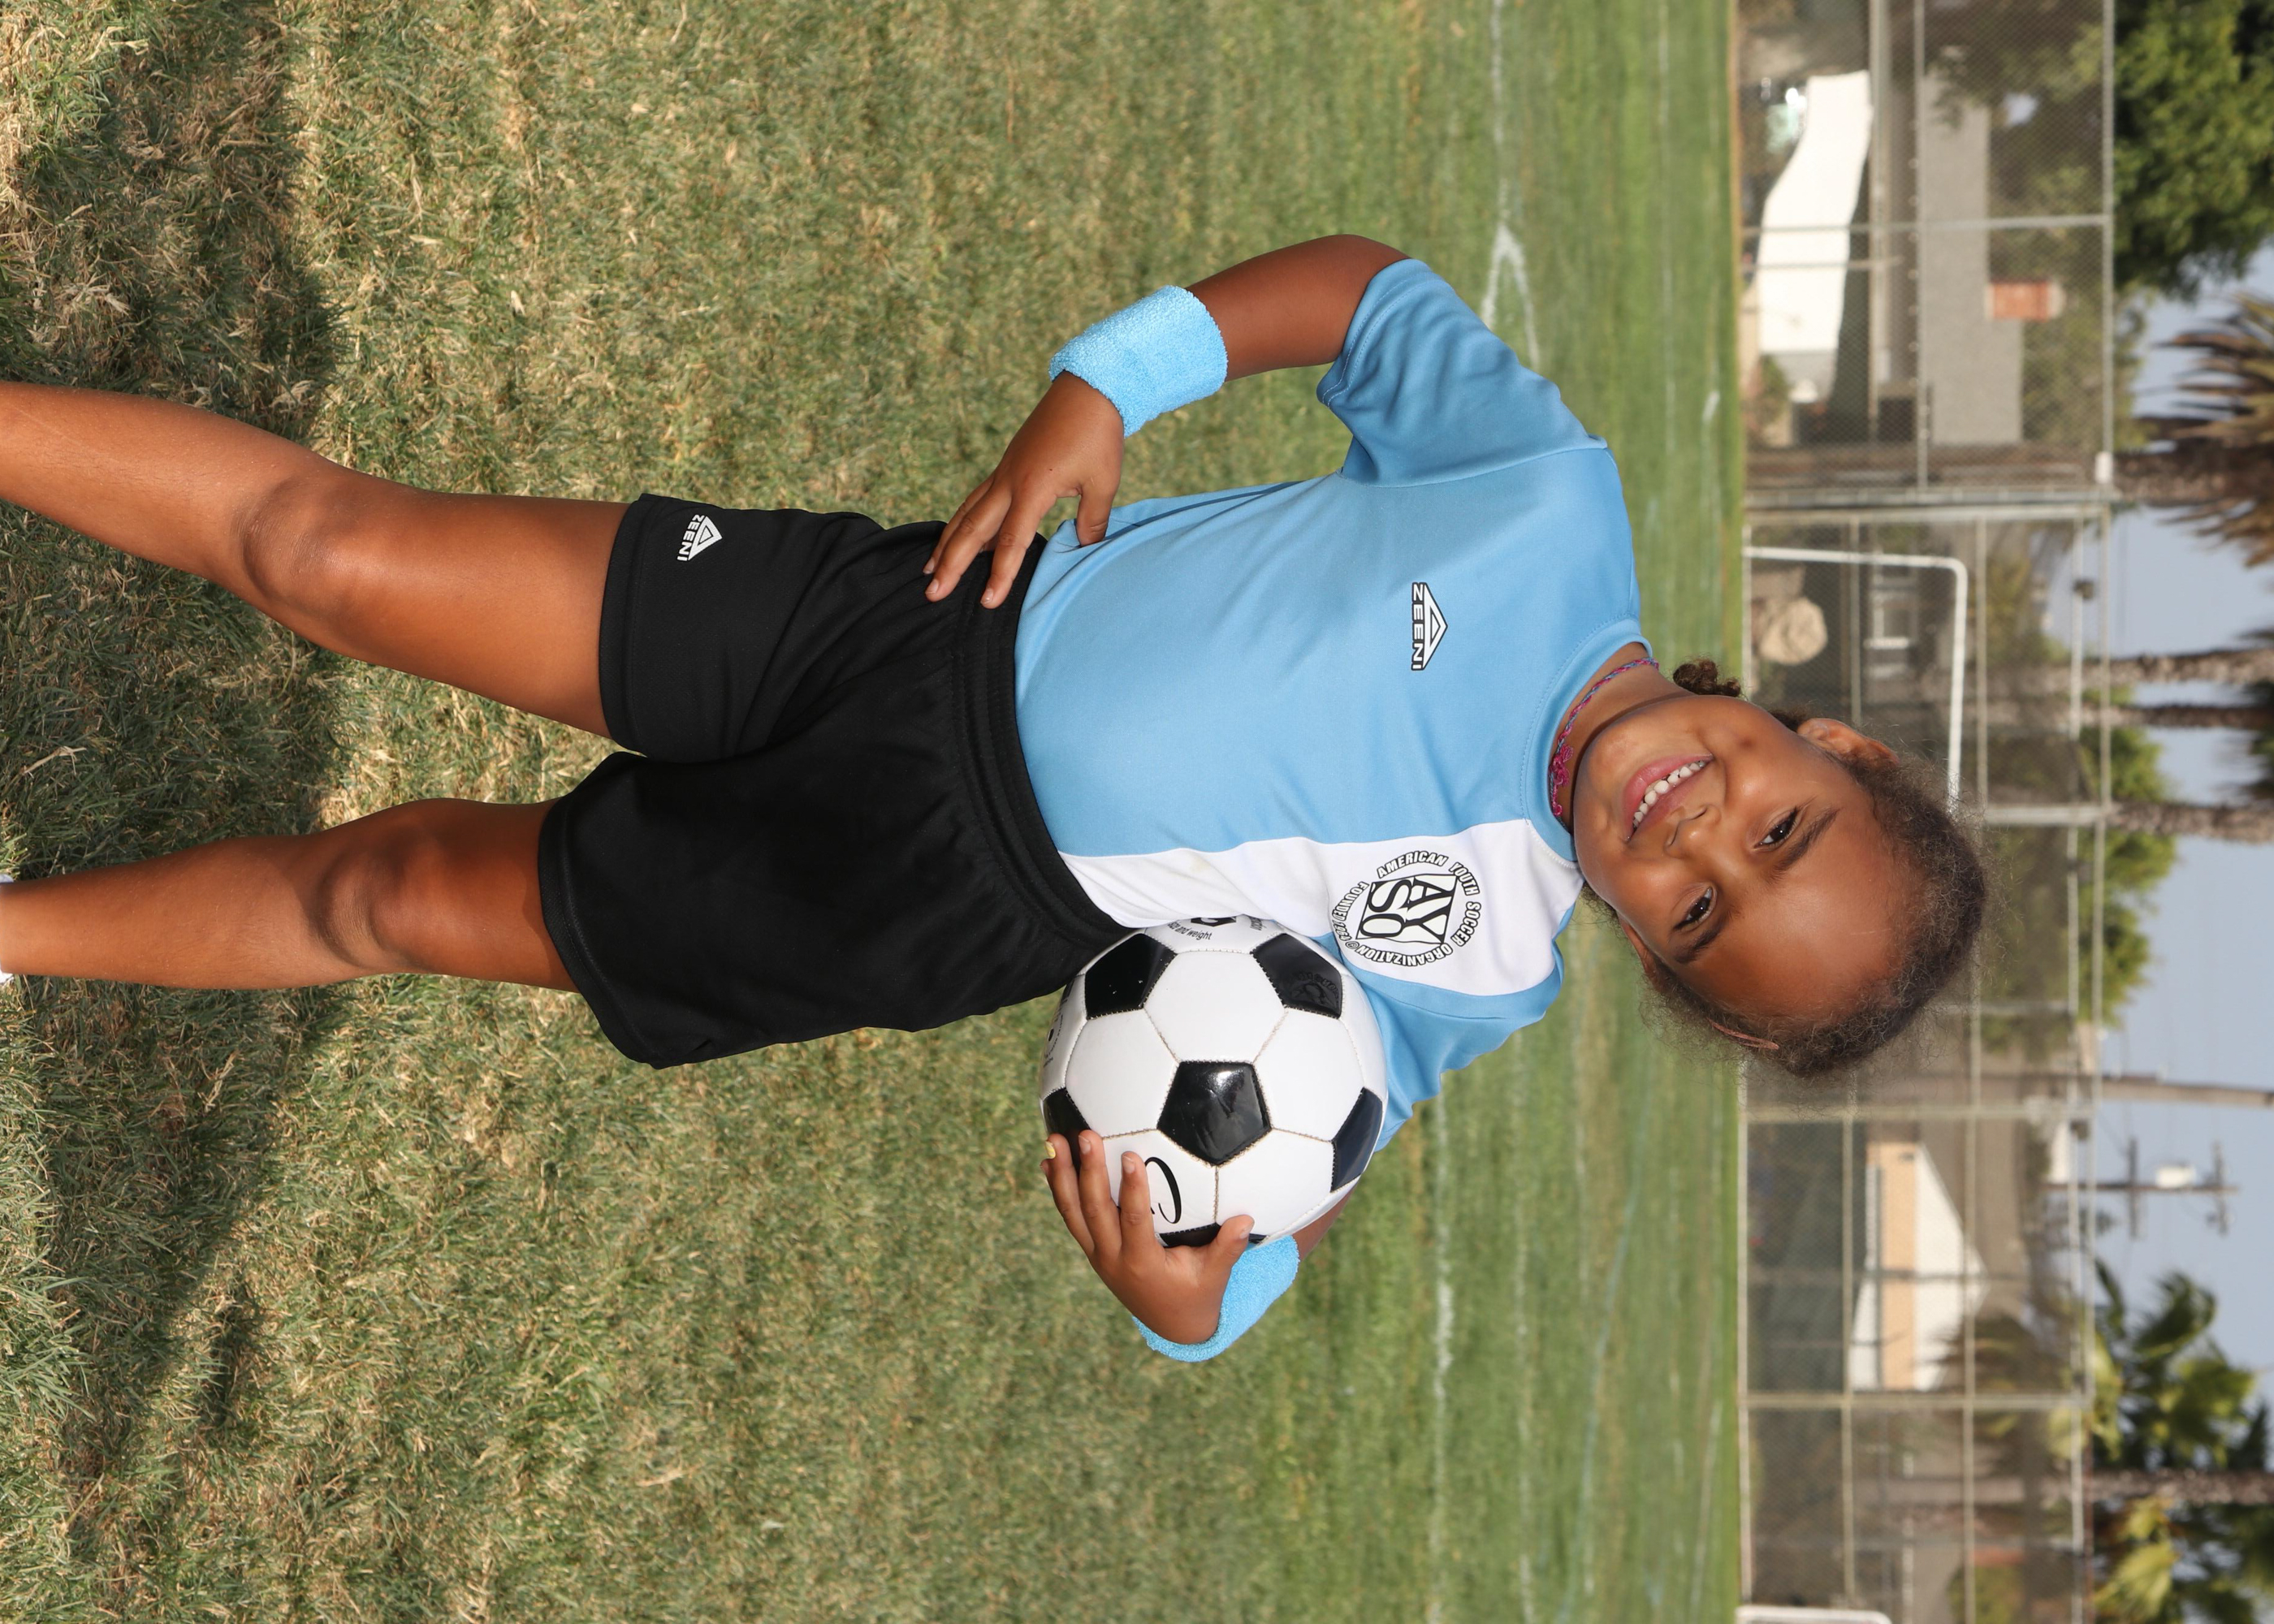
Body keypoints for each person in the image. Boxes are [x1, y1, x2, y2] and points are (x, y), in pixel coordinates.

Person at [0, 235, 1984, 1361]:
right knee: (335, 556)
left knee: (395, 898)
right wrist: (1111, 380)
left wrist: (1199, 1299)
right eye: (1778, 828)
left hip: (911, 911)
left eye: (1702, 916)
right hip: (910, 620)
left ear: (1651, 957)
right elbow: (1364, 298)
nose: (1695, 838)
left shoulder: (1477, 964)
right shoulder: (1547, 508)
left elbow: (1293, 1177)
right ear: (1841, 747)